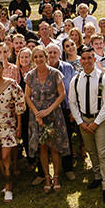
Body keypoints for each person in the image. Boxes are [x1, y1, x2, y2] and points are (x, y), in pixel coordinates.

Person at [68, 45, 105, 203]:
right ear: (80, 61)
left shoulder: (103, 78)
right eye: (84, 58)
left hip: (99, 121)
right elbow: (72, 103)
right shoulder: (76, 80)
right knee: (91, 151)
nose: (87, 61)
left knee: (102, 153)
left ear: (94, 59)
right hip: (84, 121)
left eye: (90, 58)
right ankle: (97, 176)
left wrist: (96, 123)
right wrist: (81, 122)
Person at [25, 45, 69, 193]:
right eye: (35, 57)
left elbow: (62, 94)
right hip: (37, 116)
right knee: (43, 147)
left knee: (54, 146)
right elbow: (27, 96)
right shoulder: (30, 75)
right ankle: (46, 176)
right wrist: (37, 114)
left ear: (46, 57)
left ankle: (56, 176)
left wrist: (50, 109)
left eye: (41, 56)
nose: (38, 59)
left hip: (54, 114)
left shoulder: (55, 73)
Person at [0, 57, 25, 201]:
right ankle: (7, 182)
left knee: (6, 155)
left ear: (3, 68)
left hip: (8, 123)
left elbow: (20, 104)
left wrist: (19, 125)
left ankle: (9, 188)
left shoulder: (12, 84)